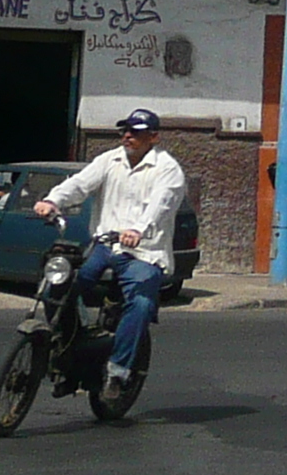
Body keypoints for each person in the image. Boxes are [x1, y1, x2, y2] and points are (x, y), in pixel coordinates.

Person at [33, 109, 187, 398]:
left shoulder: (168, 170)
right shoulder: (110, 159)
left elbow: (161, 205)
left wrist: (139, 229)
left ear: (153, 137)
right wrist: (53, 200)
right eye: (125, 130)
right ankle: (70, 344)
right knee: (58, 284)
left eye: (137, 132)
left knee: (140, 304)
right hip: (105, 246)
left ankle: (118, 372)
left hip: (144, 253)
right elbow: (80, 184)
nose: (128, 136)